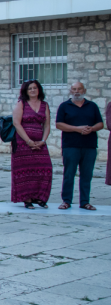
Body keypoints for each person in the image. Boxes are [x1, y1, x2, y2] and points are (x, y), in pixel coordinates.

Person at [55, 81, 104, 211]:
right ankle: (66, 201)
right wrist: (77, 129)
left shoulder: (92, 106)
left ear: (84, 90)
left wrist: (91, 129)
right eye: (74, 89)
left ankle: (85, 202)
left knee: (87, 175)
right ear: (70, 91)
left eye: (79, 89)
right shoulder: (64, 106)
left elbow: (100, 123)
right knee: (69, 174)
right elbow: (59, 124)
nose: (77, 91)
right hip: (70, 145)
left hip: (89, 146)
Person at [11, 79, 52, 209]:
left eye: (35, 88)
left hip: (40, 143)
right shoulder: (21, 104)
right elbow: (16, 123)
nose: (33, 90)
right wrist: (28, 141)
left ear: (39, 89)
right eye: (30, 88)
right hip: (23, 143)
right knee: (25, 171)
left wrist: (43, 141)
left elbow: (47, 124)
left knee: (45, 169)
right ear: (26, 91)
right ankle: (27, 198)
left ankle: (40, 197)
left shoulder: (44, 105)